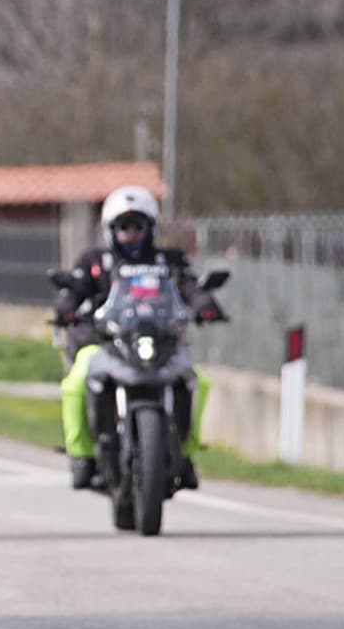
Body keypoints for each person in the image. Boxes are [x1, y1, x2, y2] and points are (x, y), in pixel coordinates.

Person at [54, 186, 224, 492]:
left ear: (150, 228)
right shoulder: (94, 261)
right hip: (105, 342)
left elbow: (190, 286)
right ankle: (81, 456)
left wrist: (205, 306)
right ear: (110, 229)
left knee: (197, 380)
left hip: (160, 341)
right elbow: (72, 291)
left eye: (138, 227)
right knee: (77, 379)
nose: (131, 234)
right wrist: (66, 310)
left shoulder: (168, 261)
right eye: (124, 227)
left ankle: (186, 455)